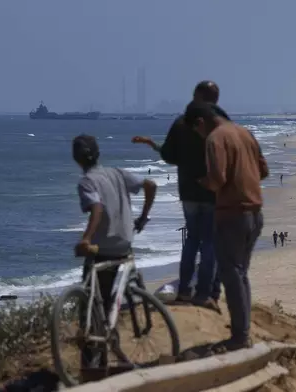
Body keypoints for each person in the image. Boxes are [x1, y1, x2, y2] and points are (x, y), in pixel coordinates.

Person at [131, 81, 227, 311]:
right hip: (214, 192)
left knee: (193, 239)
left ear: (197, 96)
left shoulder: (182, 123)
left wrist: (153, 144)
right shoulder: (221, 123)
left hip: (189, 192)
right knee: (211, 242)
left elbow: (169, 156)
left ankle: (185, 289)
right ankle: (208, 292)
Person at [186, 101, 268, 351]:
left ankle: (240, 338)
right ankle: (242, 331)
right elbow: (263, 171)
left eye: (196, 131)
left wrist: (199, 181)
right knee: (240, 273)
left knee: (231, 275)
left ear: (200, 123)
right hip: (255, 212)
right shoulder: (245, 133)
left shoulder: (215, 139)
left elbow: (217, 179)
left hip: (232, 214)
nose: (199, 136)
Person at [72, 134, 157, 368]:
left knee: (89, 309)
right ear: (98, 153)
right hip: (125, 247)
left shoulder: (87, 181)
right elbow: (150, 185)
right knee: (112, 305)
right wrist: (142, 217)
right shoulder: (117, 173)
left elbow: (96, 208)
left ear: (76, 158)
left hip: (103, 251)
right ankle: (113, 345)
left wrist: (86, 239)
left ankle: (92, 366)